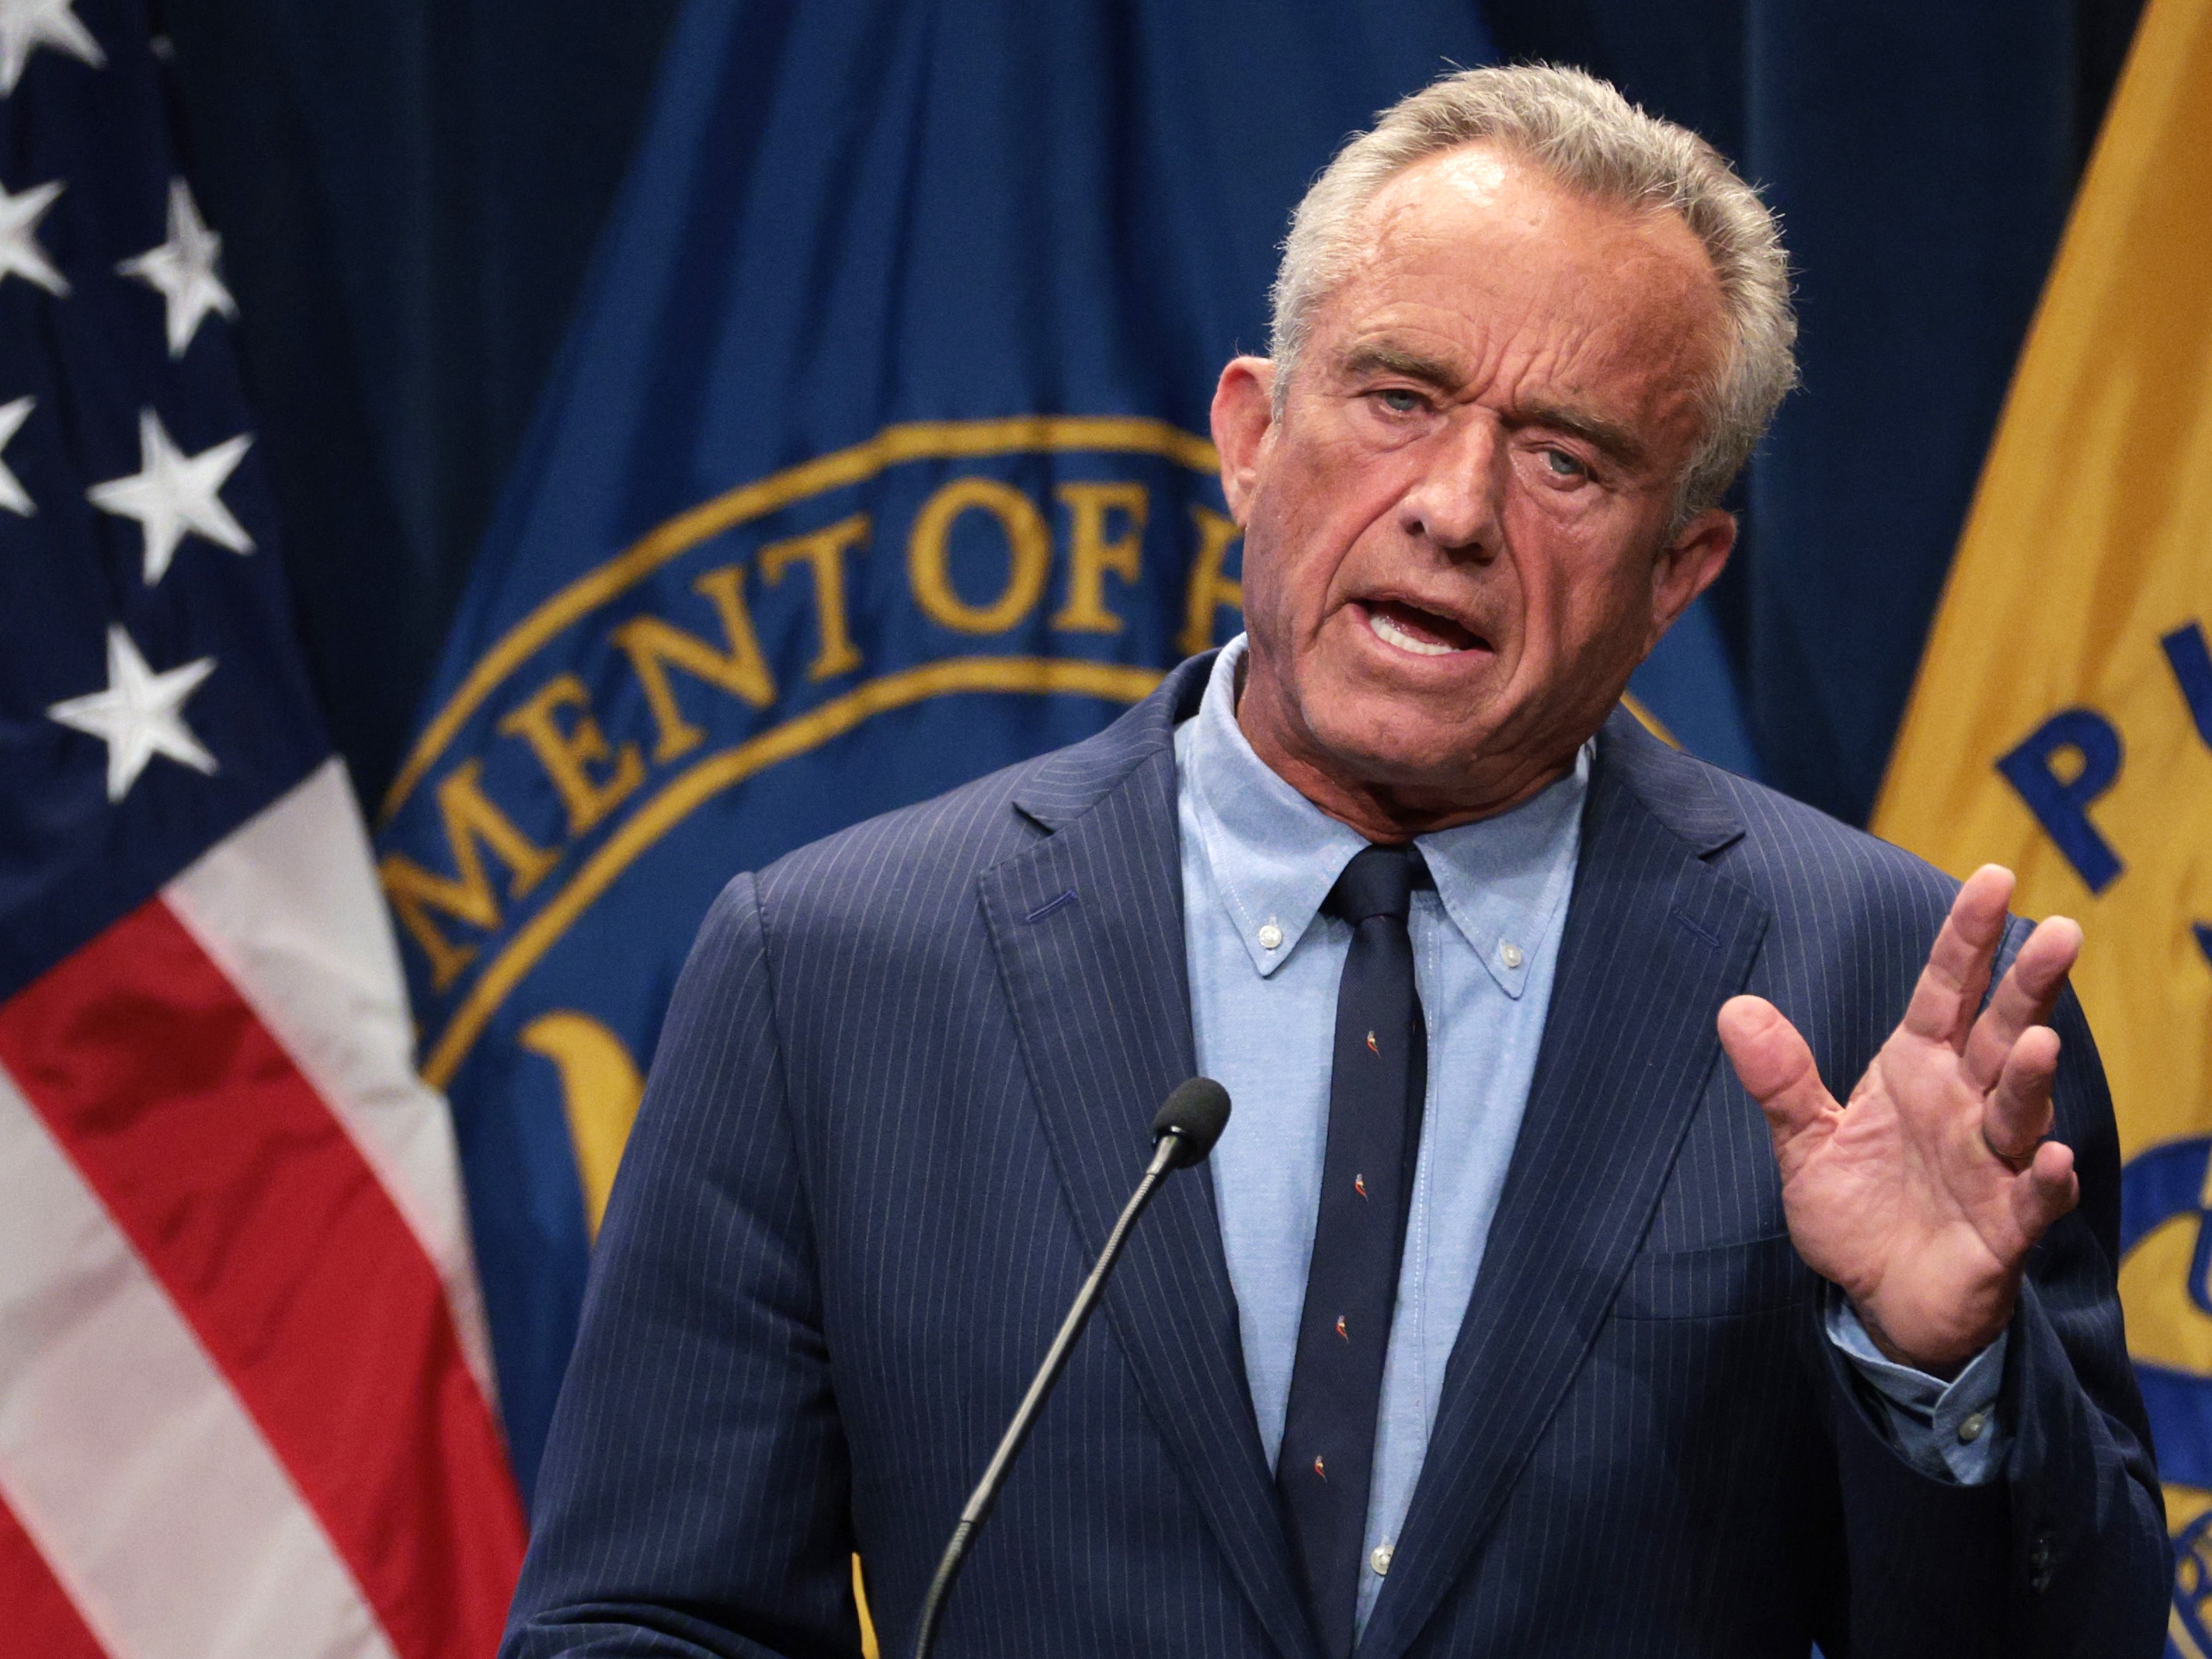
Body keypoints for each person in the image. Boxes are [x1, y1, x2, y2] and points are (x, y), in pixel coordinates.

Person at [501, 65, 2169, 1659]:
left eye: (1565, 459)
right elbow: (650, 1622)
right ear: (1249, 435)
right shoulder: (836, 970)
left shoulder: (1877, 996)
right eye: (1398, 399)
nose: (1455, 507)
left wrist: (1932, 1369)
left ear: (1679, 570)